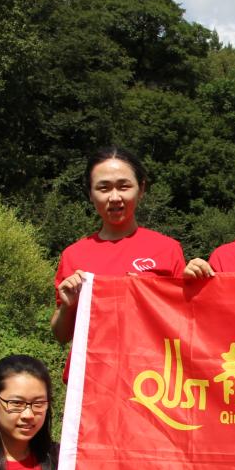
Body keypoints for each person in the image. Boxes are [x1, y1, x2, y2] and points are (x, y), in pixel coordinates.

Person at [51, 146, 185, 344]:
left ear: (141, 189)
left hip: (148, 362)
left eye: (124, 187)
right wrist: (67, 306)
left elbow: (184, 321)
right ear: (90, 193)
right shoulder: (73, 255)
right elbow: (61, 336)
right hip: (92, 363)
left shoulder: (167, 249)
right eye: (103, 188)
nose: (114, 198)